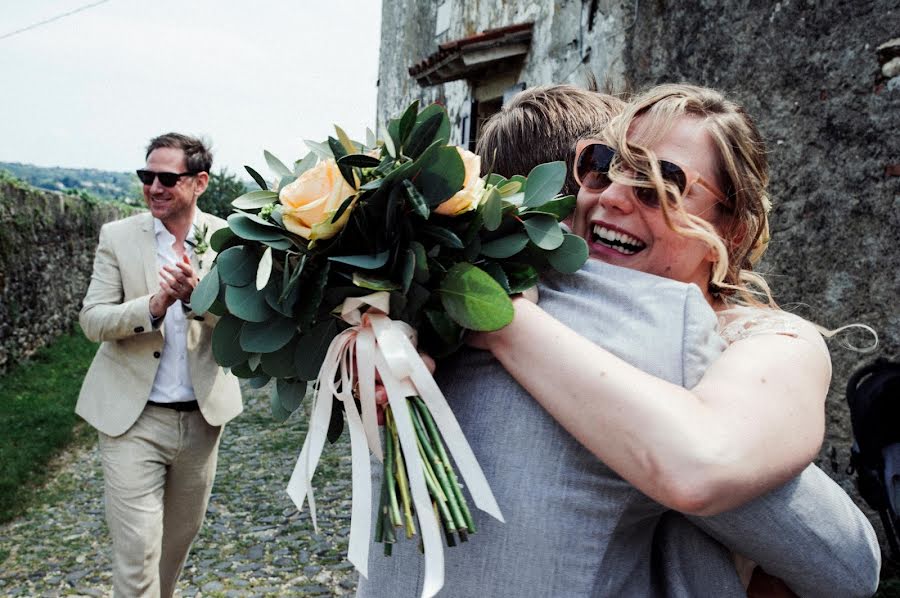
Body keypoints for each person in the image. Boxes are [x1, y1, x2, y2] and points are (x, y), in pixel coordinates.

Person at [357, 85, 879, 597]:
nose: (613, 196)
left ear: (734, 233)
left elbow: (840, 560)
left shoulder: (774, 343)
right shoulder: (508, 304)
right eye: (604, 166)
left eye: (659, 184)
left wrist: (499, 320)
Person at [76, 133, 242, 597]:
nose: (154, 187)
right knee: (137, 552)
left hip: (202, 420)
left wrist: (198, 299)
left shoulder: (230, 241)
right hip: (133, 420)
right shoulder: (117, 237)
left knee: (175, 546)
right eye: (146, 176)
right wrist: (151, 306)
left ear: (199, 182)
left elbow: (243, 323)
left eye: (167, 178)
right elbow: (92, 319)